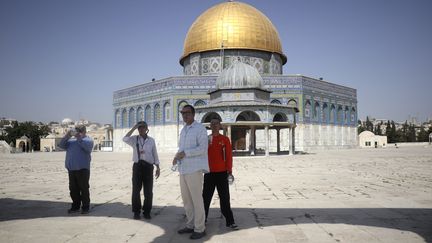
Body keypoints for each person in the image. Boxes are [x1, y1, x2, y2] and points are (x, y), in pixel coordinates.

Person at [173, 105, 209, 240]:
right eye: (183, 113)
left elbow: (203, 148)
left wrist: (185, 153)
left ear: (193, 114)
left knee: (196, 200)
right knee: (187, 200)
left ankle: (200, 228)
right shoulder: (183, 130)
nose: (185, 115)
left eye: (187, 113)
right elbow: (181, 148)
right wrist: (176, 157)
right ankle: (190, 224)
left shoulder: (200, 128)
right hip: (183, 169)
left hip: (195, 169)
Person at [203, 118, 238, 229]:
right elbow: (202, 155)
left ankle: (230, 221)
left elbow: (228, 156)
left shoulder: (225, 139)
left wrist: (230, 171)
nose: (214, 126)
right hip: (209, 173)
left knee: (224, 198)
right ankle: (202, 220)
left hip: (222, 173)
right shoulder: (206, 140)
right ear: (210, 126)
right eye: (212, 124)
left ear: (220, 126)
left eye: (216, 124)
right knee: (205, 198)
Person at [123, 121, 160, 220]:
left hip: (148, 167)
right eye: (139, 128)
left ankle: (147, 211)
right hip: (137, 166)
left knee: (148, 191)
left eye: (143, 127)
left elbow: (154, 153)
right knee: (136, 190)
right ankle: (136, 211)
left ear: (146, 129)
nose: (141, 129)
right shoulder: (134, 139)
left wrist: (158, 167)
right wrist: (134, 127)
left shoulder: (151, 140)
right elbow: (125, 138)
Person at [58, 125, 94, 214]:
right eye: (77, 130)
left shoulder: (88, 140)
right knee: (73, 189)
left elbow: (88, 148)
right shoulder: (71, 141)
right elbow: (61, 145)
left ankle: (85, 207)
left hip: (82, 169)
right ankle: (75, 206)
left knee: (84, 189)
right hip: (71, 169)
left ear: (84, 131)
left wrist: (79, 138)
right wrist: (67, 135)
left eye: (80, 131)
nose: (79, 132)